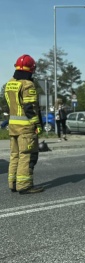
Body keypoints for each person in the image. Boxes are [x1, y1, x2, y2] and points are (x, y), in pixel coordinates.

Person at [4, 54, 44, 194]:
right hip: (26, 127)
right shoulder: (28, 84)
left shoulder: (10, 83)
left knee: (15, 155)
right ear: (32, 69)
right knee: (27, 155)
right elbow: (30, 107)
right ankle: (24, 185)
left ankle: (13, 183)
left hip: (13, 126)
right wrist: (37, 125)